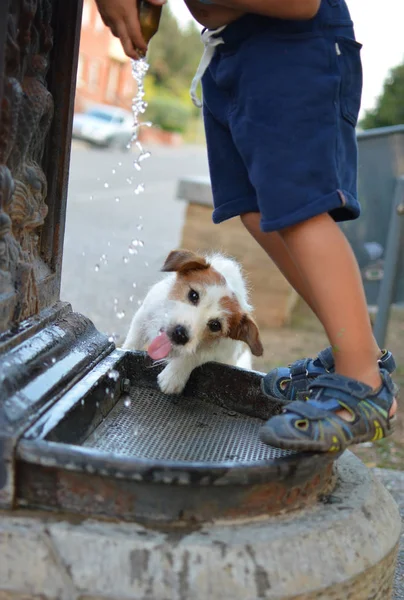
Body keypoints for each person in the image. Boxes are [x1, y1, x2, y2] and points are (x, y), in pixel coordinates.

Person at [95, 0, 398, 453]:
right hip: (231, 49)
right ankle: (359, 355)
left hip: (286, 47)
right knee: (260, 211)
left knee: (299, 209)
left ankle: (364, 386)